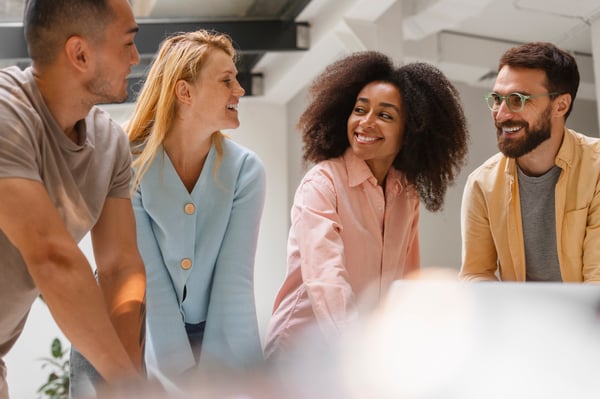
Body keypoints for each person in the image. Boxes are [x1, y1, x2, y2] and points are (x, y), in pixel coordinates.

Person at [264, 51, 469, 359]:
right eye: (360, 110)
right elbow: (326, 279)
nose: (366, 122)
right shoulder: (322, 184)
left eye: (385, 115)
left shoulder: (406, 194)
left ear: (411, 131)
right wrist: (358, 352)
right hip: (300, 354)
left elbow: (405, 282)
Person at [0, 0, 146, 398]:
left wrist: (131, 372)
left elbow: (120, 267)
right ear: (80, 53)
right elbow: (51, 257)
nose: (136, 57)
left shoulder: (110, 143)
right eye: (127, 43)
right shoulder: (6, 114)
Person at [125, 30, 266, 391]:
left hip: (219, 335)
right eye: (226, 80)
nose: (240, 90)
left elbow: (234, 280)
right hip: (145, 339)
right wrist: (181, 376)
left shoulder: (246, 171)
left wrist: (238, 380)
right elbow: (150, 280)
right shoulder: (130, 166)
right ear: (184, 92)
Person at [459, 41, 600, 282]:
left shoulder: (596, 169)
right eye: (497, 99)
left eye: (518, 100)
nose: (501, 114)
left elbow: (597, 282)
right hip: (520, 318)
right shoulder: (482, 183)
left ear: (561, 105)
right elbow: (475, 273)